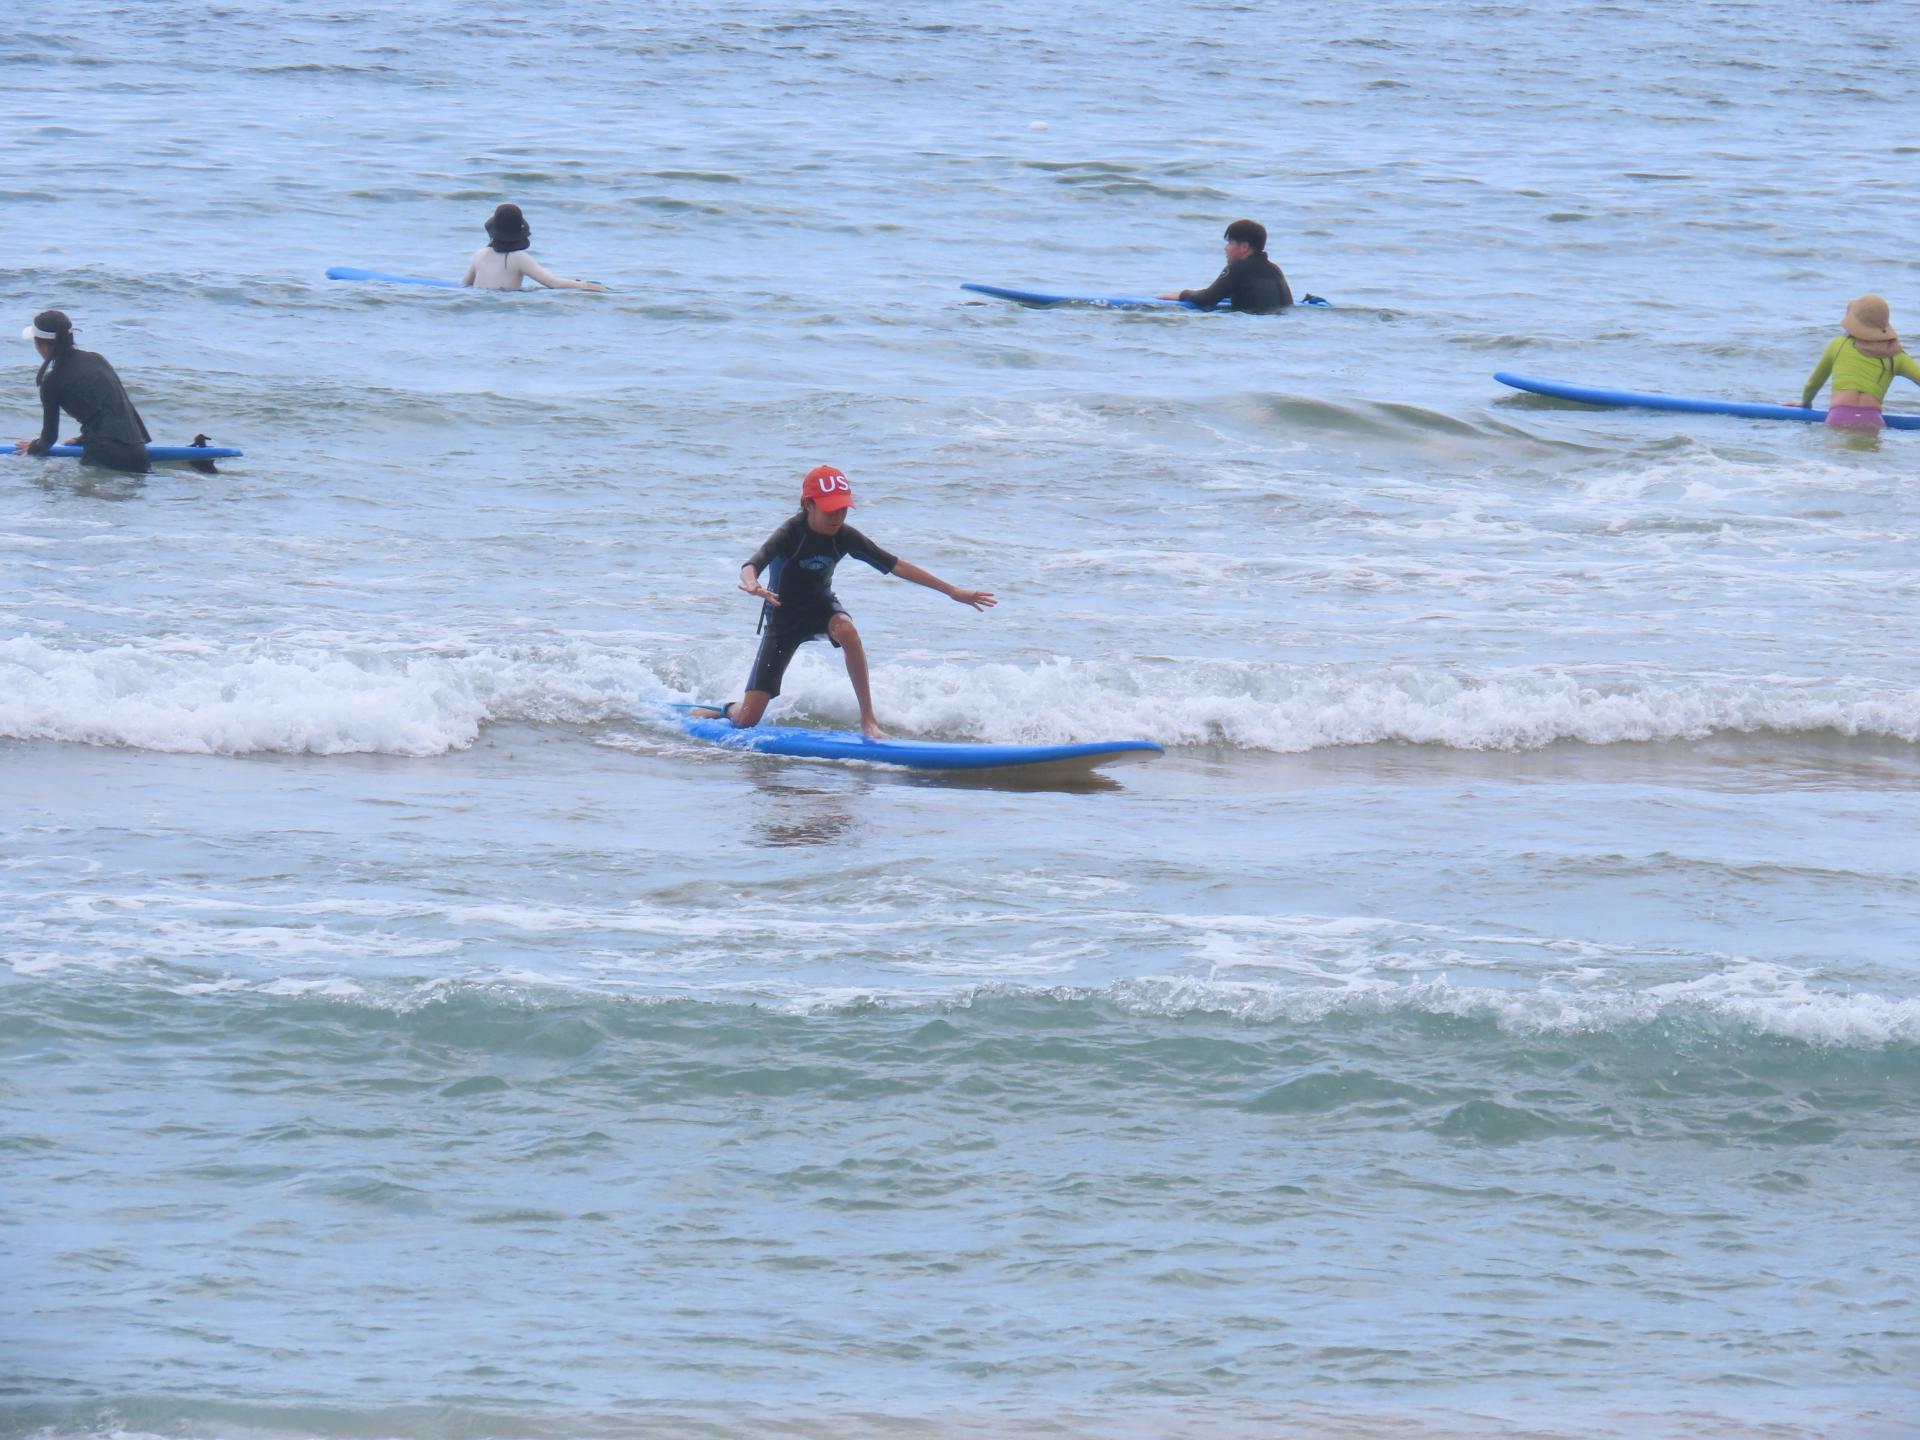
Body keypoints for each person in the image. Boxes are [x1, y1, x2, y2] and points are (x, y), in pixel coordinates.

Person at [695, 465, 996, 740]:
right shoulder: (790, 534)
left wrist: (952, 591)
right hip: (782, 617)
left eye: (843, 509)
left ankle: (868, 722)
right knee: (747, 721)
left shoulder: (845, 536)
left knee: (848, 631)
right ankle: (727, 708)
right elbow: (753, 564)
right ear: (808, 504)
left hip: (821, 608)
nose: (838, 517)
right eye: (830, 510)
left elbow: (896, 565)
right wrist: (752, 584)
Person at [13, 310, 151, 474]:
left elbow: (48, 439)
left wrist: (33, 447)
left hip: (103, 455)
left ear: (41, 344)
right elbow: (115, 410)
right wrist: (83, 439)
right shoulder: (97, 360)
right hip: (138, 451)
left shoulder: (52, 382)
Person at [1795, 295, 1919, 429]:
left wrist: (1805, 403)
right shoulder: (1895, 355)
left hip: (1839, 417)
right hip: (1872, 420)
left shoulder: (1838, 345)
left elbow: (1814, 383)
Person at [461, 204, 606, 291]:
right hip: (507, 301)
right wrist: (583, 285)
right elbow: (553, 283)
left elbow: (465, 285)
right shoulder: (519, 258)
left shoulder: (480, 254)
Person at [1160, 218, 1293, 313]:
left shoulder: (1238, 268)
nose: (1226, 248)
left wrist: (1182, 294)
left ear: (1244, 247)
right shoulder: (1275, 269)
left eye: (1230, 243)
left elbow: (1207, 299)